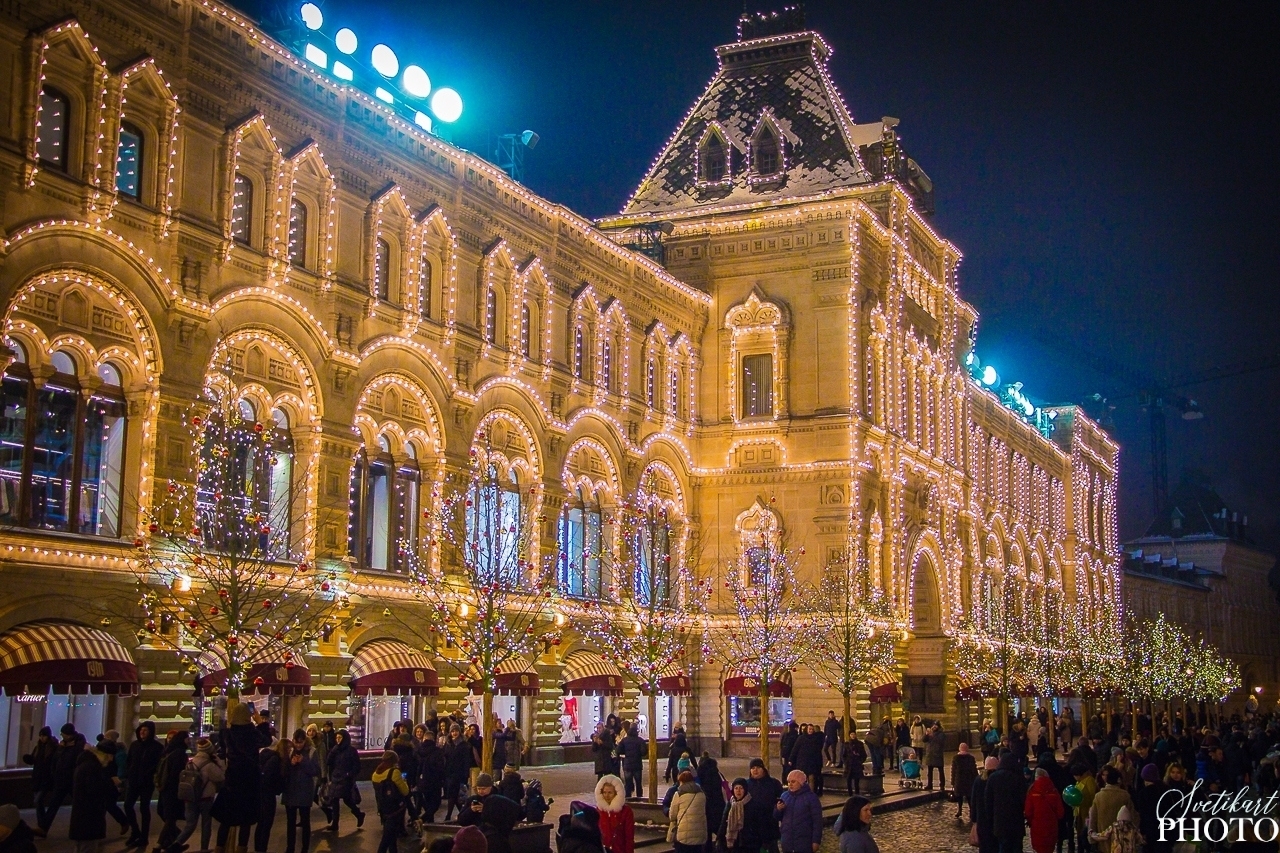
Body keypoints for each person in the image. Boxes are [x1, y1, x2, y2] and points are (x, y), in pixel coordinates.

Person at [212, 703, 270, 853]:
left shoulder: (227, 733)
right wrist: (261, 722)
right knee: (246, 821)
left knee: (226, 820)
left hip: (232, 780)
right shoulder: (252, 733)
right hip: (249, 780)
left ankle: (219, 848)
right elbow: (267, 741)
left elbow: (223, 752)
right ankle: (241, 849)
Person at [163, 735, 221, 853]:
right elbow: (220, 777)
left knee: (190, 825)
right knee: (206, 824)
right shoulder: (209, 765)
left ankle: (176, 844)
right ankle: (204, 848)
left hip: (190, 797)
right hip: (205, 798)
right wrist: (218, 761)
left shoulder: (191, 762)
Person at [457, 774, 522, 853]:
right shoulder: (472, 800)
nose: (481, 791)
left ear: (490, 787)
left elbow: (504, 817)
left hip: (494, 836)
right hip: (476, 835)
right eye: (478, 788)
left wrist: (486, 810)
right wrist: (470, 810)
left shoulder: (498, 799)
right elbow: (461, 820)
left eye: (484, 788)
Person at [39, 724, 86, 835]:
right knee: (53, 805)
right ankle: (43, 828)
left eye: (63, 734)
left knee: (79, 805)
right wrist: (54, 773)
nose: (61, 735)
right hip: (61, 781)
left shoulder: (78, 745)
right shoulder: (62, 745)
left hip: (72, 781)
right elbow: (56, 760)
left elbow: (77, 761)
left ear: (69, 735)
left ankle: (82, 828)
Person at [70, 739, 115, 853]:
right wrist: (111, 784)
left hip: (82, 818)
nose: (111, 760)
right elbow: (95, 791)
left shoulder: (86, 764)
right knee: (87, 848)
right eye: (110, 756)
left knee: (80, 847)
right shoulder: (92, 768)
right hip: (89, 818)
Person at [124, 722, 164, 850]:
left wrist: (149, 775)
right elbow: (129, 761)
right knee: (127, 805)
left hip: (146, 782)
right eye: (141, 730)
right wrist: (129, 774)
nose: (142, 732)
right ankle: (135, 831)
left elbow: (158, 765)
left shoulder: (156, 747)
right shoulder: (135, 745)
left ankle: (144, 837)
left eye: (145, 730)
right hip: (134, 781)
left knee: (144, 808)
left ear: (151, 732)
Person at [282, 730, 319, 853]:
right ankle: (290, 848)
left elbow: (315, 771)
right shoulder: (289, 751)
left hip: (304, 791)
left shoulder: (312, 751)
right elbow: (284, 771)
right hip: (290, 791)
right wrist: (291, 763)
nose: (298, 745)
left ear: (305, 741)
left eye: (301, 742)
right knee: (290, 822)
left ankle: (305, 848)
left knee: (305, 821)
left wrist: (303, 761)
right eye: (296, 742)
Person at [984, 752, 1028, 853]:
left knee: (1003, 847)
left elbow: (988, 801)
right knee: (1016, 847)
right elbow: (1024, 799)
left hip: (1000, 821)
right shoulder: (1018, 778)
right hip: (1016, 820)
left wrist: (990, 819)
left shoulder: (993, 778)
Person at [324, 728, 365, 832]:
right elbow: (328, 762)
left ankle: (358, 813)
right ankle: (335, 823)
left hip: (345, 778)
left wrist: (349, 774)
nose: (338, 740)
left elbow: (357, 766)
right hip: (336, 777)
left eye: (340, 738)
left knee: (347, 800)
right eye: (336, 738)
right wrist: (333, 751)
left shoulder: (351, 750)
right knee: (334, 800)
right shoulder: (336, 750)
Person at [253, 738, 289, 853]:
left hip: (263, 794)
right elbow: (269, 778)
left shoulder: (272, 758)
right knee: (266, 823)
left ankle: (259, 847)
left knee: (262, 822)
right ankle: (261, 848)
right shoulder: (275, 760)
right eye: (289, 748)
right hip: (267, 795)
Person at [1088, 767, 1134, 853]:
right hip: (1121, 840)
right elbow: (1132, 818)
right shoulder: (1125, 796)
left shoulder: (1099, 796)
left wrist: (1092, 836)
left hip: (1103, 839)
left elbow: (1093, 818)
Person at [371, 750, 409, 853]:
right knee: (386, 839)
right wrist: (404, 780)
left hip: (383, 809)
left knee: (392, 837)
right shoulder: (394, 772)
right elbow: (405, 791)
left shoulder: (375, 773)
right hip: (395, 809)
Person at [775, 771, 821, 853]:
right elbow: (777, 817)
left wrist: (816, 841)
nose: (790, 784)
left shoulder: (811, 798)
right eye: (788, 782)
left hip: (804, 841)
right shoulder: (784, 796)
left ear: (801, 782)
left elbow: (817, 821)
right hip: (787, 841)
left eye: (793, 781)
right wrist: (778, 809)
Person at [23, 727, 58, 836]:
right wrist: (29, 759)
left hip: (46, 778)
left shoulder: (53, 748)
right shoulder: (38, 747)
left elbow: (53, 762)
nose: (42, 738)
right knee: (39, 802)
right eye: (41, 735)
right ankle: (42, 825)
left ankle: (42, 824)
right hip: (37, 778)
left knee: (38, 800)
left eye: (44, 736)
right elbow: (34, 760)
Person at [743, 759, 782, 853]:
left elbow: (780, 799)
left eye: (758, 767)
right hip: (752, 828)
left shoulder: (773, 783)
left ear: (763, 769)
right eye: (752, 768)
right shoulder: (746, 785)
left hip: (770, 825)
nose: (755, 770)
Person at [1023, 768, 1064, 853]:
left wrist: (1031, 821)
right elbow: (1060, 812)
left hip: (1037, 825)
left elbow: (1028, 812)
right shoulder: (1054, 791)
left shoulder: (1032, 791)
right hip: (1051, 825)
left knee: (1038, 848)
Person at [666, 770, 706, 853]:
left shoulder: (679, 794)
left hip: (684, 835)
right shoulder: (701, 794)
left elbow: (672, 816)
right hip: (700, 834)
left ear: (682, 781)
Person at [594, 775, 633, 853]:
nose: (606, 795)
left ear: (616, 793)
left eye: (610, 793)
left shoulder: (626, 812)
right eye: (604, 792)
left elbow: (629, 838)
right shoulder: (598, 811)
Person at [415, 730, 447, 823]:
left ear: (424, 738)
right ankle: (422, 820)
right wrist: (443, 780)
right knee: (436, 803)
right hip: (434, 781)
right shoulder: (437, 751)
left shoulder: (419, 750)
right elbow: (440, 767)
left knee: (428, 802)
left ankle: (429, 823)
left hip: (422, 781)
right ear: (434, 739)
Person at [696, 756, 724, 853]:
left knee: (706, 834)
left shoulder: (701, 772)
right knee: (719, 831)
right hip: (718, 806)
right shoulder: (716, 773)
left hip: (705, 807)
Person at [443, 726, 471, 821]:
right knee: (453, 795)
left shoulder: (464, 745)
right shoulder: (448, 744)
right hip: (449, 773)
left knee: (455, 795)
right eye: (452, 731)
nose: (454, 733)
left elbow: (466, 761)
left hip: (459, 773)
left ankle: (450, 815)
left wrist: (466, 775)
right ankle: (461, 814)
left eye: (456, 731)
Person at [971, 756, 998, 853]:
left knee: (984, 847)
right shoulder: (997, 780)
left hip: (981, 818)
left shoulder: (978, 780)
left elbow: (973, 800)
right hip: (994, 818)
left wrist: (973, 818)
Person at [788, 725, 824, 796]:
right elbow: (795, 749)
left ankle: (811, 794)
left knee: (811, 778)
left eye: (812, 729)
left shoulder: (816, 739)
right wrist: (791, 759)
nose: (811, 731)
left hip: (812, 762)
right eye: (809, 729)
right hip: (802, 761)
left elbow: (818, 751)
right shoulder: (801, 738)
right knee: (802, 778)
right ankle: (801, 792)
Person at [950, 743, 978, 821]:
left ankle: (959, 810)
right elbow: (974, 770)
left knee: (959, 796)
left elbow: (953, 771)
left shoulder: (956, 758)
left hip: (959, 780)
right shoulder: (971, 758)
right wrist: (976, 778)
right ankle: (971, 811)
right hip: (969, 780)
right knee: (969, 796)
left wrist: (952, 781)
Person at [618, 725, 644, 800]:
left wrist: (625, 753)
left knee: (628, 782)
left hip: (627, 764)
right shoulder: (640, 740)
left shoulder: (624, 740)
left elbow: (619, 750)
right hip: (637, 764)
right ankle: (639, 797)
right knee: (638, 783)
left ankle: (628, 798)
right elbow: (643, 751)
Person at [841, 731, 866, 795]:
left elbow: (863, 754)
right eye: (851, 734)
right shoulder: (847, 744)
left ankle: (857, 793)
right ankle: (850, 793)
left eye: (854, 734)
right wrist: (845, 762)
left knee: (856, 780)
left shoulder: (859, 744)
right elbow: (844, 755)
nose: (853, 736)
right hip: (849, 764)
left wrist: (860, 761)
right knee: (848, 779)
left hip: (856, 764)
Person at [923, 723, 945, 791]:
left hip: (938, 754)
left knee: (940, 771)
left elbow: (940, 741)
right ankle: (930, 784)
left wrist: (931, 735)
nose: (934, 727)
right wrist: (926, 734)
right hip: (930, 754)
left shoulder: (941, 734)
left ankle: (942, 785)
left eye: (936, 725)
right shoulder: (930, 733)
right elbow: (924, 740)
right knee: (929, 771)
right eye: (933, 725)